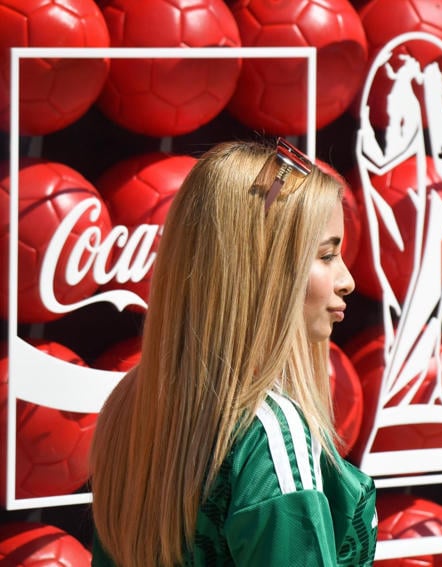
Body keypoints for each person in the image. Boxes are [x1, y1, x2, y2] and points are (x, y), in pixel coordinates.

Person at [88, 138, 377, 566]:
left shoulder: (129, 405)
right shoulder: (270, 431)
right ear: (262, 266)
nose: (347, 279)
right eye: (327, 254)